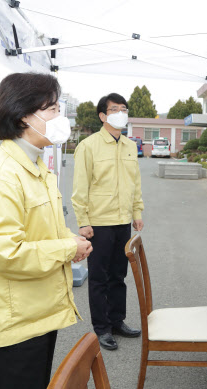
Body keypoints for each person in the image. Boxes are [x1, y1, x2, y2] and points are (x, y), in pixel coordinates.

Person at [0, 72, 92, 389]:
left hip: (37, 314)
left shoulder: (35, 167)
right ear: (22, 116)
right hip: (13, 325)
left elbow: (38, 232)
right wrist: (67, 249)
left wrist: (69, 239)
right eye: (52, 110)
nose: (61, 118)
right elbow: (6, 253)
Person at [72, 92, 144, 351]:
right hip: (98, 222)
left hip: (123, 220)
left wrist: (137, 212)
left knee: (119, 274)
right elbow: (80, 187)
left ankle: (117, 321)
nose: (120, 112)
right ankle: (101, 328)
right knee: (99, 277)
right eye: (115, 109)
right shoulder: (88, 146)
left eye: (123, 108)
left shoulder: (129, 146)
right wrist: (83, 221)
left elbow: (135, 183)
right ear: (103, 116)